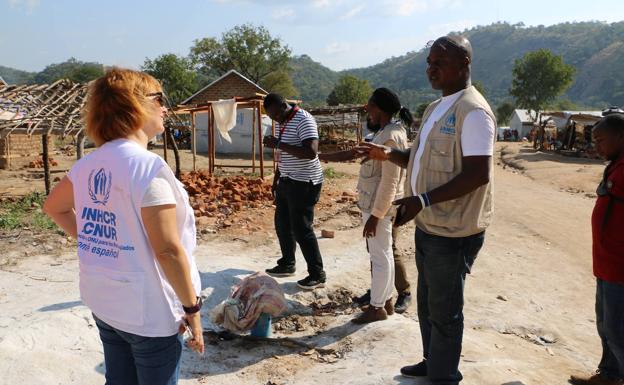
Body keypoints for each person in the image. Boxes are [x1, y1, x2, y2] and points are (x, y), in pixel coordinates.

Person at [43, 68, 204, 385]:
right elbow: (169, 251)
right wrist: (192, 308)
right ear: (137, 106)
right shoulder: (147, 169)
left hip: (105, 301)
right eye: (160, 99)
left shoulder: (88, 164)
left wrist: (95, 240)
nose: (165, 108)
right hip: (148, 312)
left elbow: (55, 207)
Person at [357, 35, 496, 385]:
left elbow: (479, 174)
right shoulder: (437, 107)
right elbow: (417, 160)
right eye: (429, 62)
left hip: (454, 230)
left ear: (464, 64)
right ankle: (431, 360)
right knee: (428, 302)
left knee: (446, 309)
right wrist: (388, 155)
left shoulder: (473, 111)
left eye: (439, 62)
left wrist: (422, 200)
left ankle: (444, 375)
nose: (431, 69)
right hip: (429, 224)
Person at [319, 88, 411, 323]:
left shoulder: (391, 136)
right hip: (375, 204)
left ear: (379, 108)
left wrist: (376, 215)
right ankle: (386, 301)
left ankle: (377, 307)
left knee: (379, 256)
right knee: (384, 254)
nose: (366, 110)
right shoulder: (385, 132)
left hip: (378, 206)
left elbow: (390, 181)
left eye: (369, 105)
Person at [570, 114, 624, 385]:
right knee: (605, 325)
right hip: (605, 264)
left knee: (618, 330)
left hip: (620, 268)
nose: (597, 147)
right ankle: (610, 374)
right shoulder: (616, 165)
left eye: (601, 141)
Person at [262, 93, 326, 290]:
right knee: (282, 223)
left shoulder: (304, 119)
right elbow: (285, 155)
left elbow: (310, 152)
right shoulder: (283, 121)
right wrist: (276, 179)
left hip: (305, 182)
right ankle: (287, 264)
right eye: (271, 117)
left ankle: (317, 274)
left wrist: (278, 144)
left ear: (283, 106)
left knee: (302, 229)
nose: (274, 119)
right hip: (287, 180)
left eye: (274, 115)